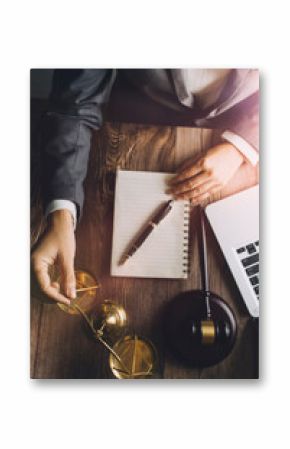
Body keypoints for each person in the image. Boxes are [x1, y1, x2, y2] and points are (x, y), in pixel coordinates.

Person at [31, 69, 259, 306]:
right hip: (140, 115)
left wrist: (240, 147)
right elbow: (74, 107)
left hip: (244, 121)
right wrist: (61, 214)